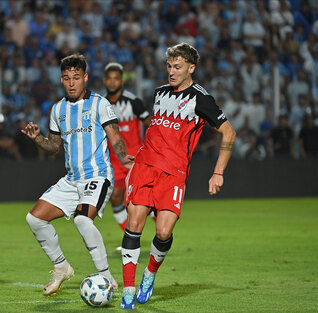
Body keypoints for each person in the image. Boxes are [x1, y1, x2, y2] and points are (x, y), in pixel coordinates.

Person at [120, 43, 236, 309]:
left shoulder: (201, 98)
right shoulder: (160, 93)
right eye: (169, 66)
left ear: (191, 68)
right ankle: (128, 291)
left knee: (163, 231)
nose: (171, 72)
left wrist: (218, 172)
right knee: (134, 224)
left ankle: (149, 274)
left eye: (178, 67)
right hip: (146, 166)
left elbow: (229, 133)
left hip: (173, 174)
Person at [21, 54, 134, 296]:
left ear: (84, 78)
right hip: (71, 180)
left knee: (83, 220)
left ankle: (104, 275)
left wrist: (125, 158)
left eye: (76, 78)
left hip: (98, 176)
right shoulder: (58, 109)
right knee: (35, 219)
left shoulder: (100, 104)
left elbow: (115, 137)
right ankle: (61, 266)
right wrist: (38, 139)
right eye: (66, 78)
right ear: (61, 80)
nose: (71, 83)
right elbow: (53, 148)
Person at [103, 62, 151, 231]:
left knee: (144, 198)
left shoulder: (133, 101)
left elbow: (150, 123)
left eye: (116, 78)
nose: (112, 82)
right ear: (105, 81)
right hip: (114, 160)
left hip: (135, 158)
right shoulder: (101, 104)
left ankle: (162, 232)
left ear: (122, 81)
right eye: (109, 78)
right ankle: (128, 236)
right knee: (115, 197)